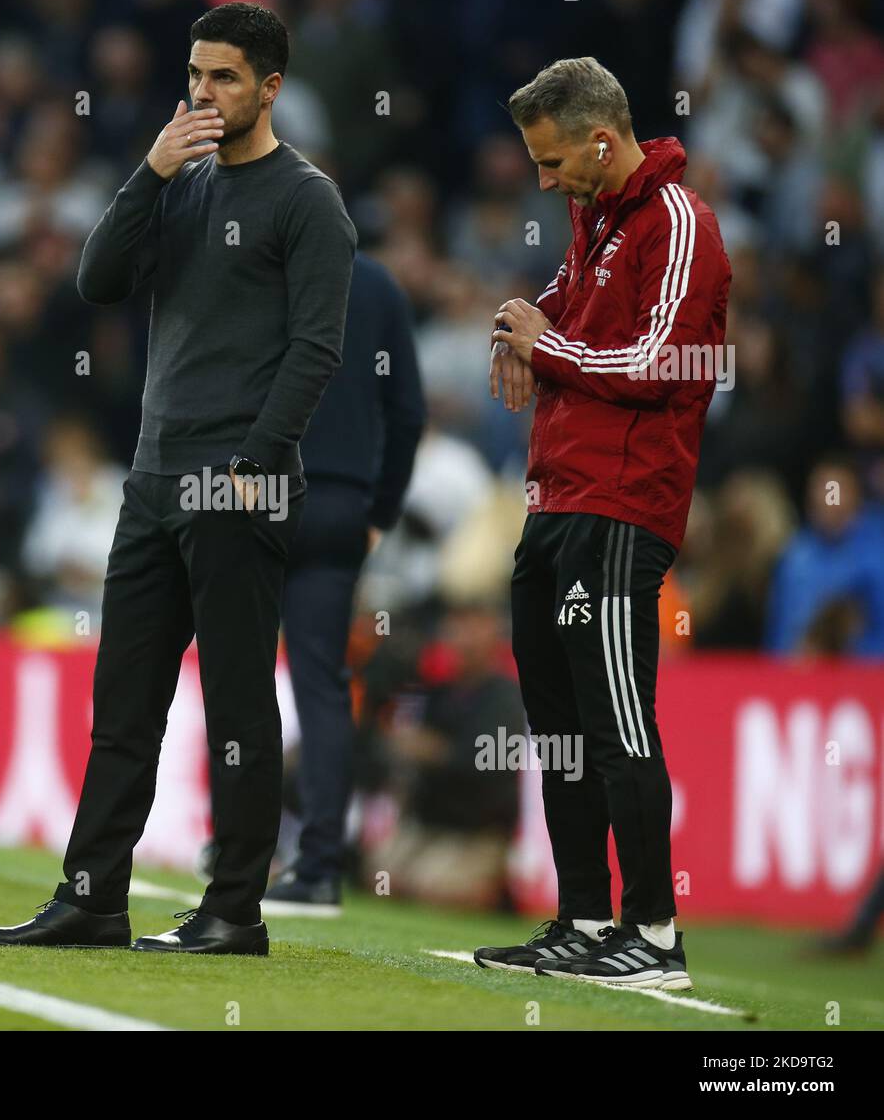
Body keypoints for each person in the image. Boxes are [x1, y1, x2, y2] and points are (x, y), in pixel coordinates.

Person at [0, 2, 356, 956]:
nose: (202, 92)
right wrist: (149, 169)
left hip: (240, 483)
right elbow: (97, 280)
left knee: (234, 704)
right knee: (125, 702)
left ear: (270, 88)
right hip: (151, 479)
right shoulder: (179, 186)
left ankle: (234, 909)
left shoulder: (306, 200)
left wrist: (253, 467)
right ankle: (94, 895)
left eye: (225, 77)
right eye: (195, 73)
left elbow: (315, 352)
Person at [473, 57, 731, 990]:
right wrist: (520, 325)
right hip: (557, 494)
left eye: (551, 163)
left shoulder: (678, 222)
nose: (545, 182)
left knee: (619, 716)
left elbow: (663, 361)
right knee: (561, 725)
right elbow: (569, 313)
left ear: (599, 138)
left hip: (625, 504)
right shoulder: (601, 218)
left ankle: (654, 933)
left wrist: (553, 347)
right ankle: (585, 917)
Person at [265, 251, 425, 912]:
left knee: (239, 672)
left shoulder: (266, 268)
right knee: (324, 685)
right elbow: (408, 411)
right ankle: (321, 865)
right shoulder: (379, 282)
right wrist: (378, 510)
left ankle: (240, 849)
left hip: (260, 489)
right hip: (340, 504)